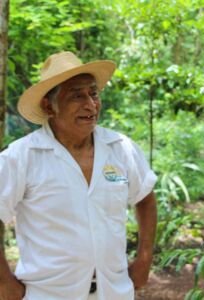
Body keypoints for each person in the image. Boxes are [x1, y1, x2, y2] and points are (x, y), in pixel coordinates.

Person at [0, 51, 157, 300]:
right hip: (47, 295)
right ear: (48, 105)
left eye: (93, 93)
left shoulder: (120, 148)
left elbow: (145, 198)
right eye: (76, 95)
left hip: (114, 292)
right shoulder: (22, 156)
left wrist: (144, 258)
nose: (90, 104)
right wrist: (4, 283)